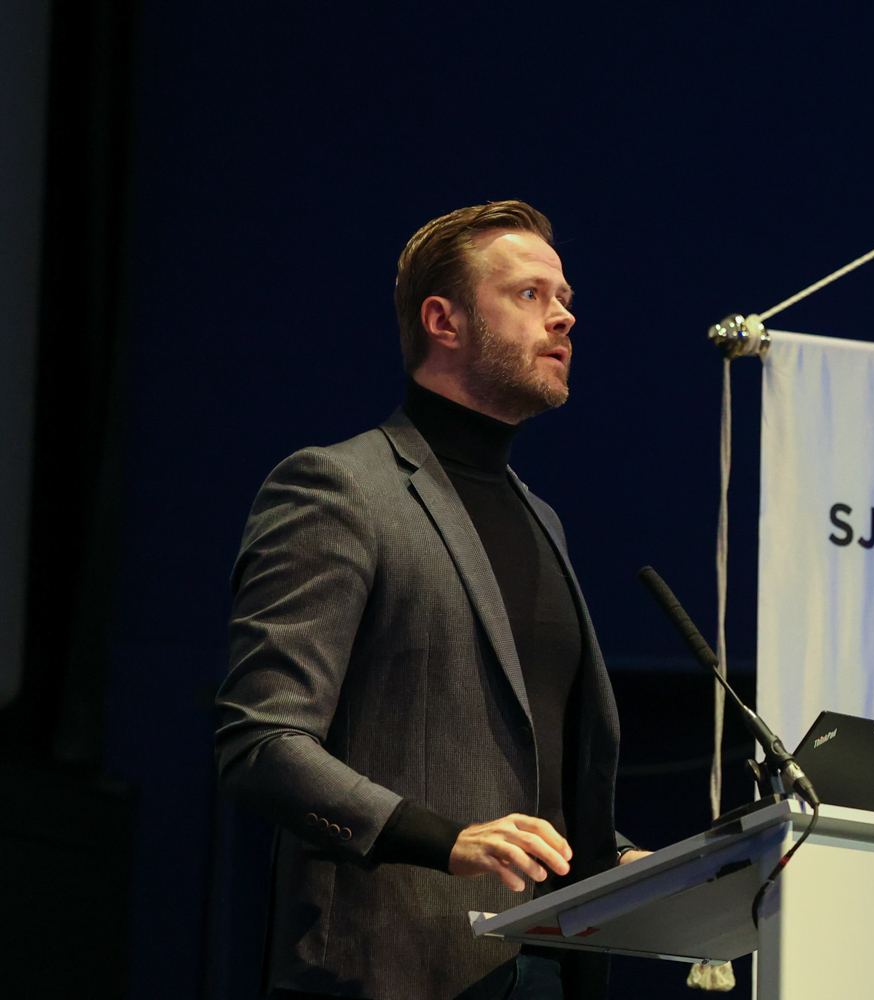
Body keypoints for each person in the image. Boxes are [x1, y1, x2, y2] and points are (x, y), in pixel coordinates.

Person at [215, 201, 645, 1000]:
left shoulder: (540, 517)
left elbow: (523, 776)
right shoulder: (337, 489)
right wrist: (444, 841)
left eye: (564, 297)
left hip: (550, 967)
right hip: (396, 966)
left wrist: (615, 857)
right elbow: (263, 744)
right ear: (443, 320)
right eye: (530, 295)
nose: (563, 317)